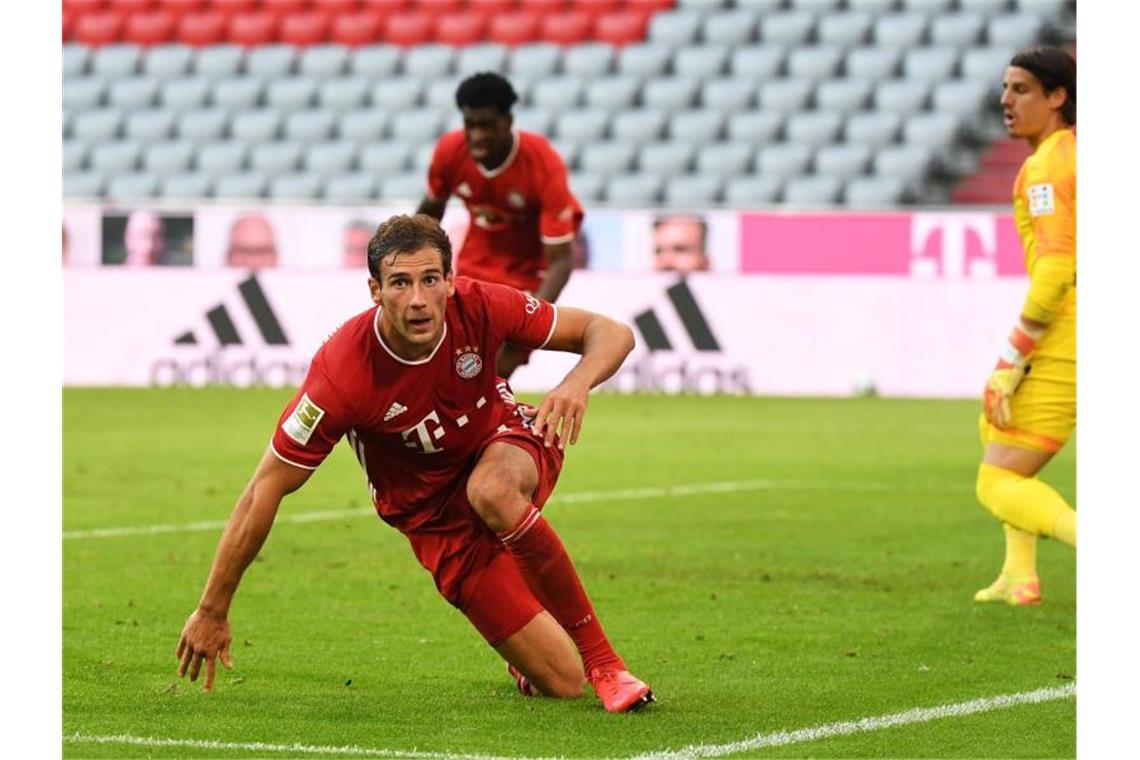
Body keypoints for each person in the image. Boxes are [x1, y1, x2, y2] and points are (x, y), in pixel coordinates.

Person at [175, 214, 655, 713]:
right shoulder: (342, 375)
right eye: (400, 283)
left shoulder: (481, 304)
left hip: (503, 445)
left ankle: (607, 663)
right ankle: (540, 660)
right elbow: (264, 489)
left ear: (450, 280)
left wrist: (576, 383)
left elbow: (609, 332)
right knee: (563, 681)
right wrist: (212, 609)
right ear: (374, 290)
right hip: (435, 522)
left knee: (491, 490)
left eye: (431, 279)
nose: (419, 299)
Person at [974, 47, 1076, 606]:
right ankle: (1020, 575)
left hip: (1071, 332)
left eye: (1021, 90)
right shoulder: (1068, 156)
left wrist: (1014, 357)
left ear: (1058, 97)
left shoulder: (1048, 167)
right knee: (995, 424)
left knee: (996, 481)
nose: (1005, 100)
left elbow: (1058, 268)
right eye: (1005, 88)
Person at [415, 72, 582, 380]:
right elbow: (427, 218)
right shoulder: (450, 152)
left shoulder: (542, 163)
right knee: (446, 361)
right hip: (474, 267)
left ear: (508, 121)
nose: (477, 135)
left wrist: (532, 323)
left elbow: (561, 261)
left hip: (527, 276)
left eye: (487, 125)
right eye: (470, 125)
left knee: (497, 367)